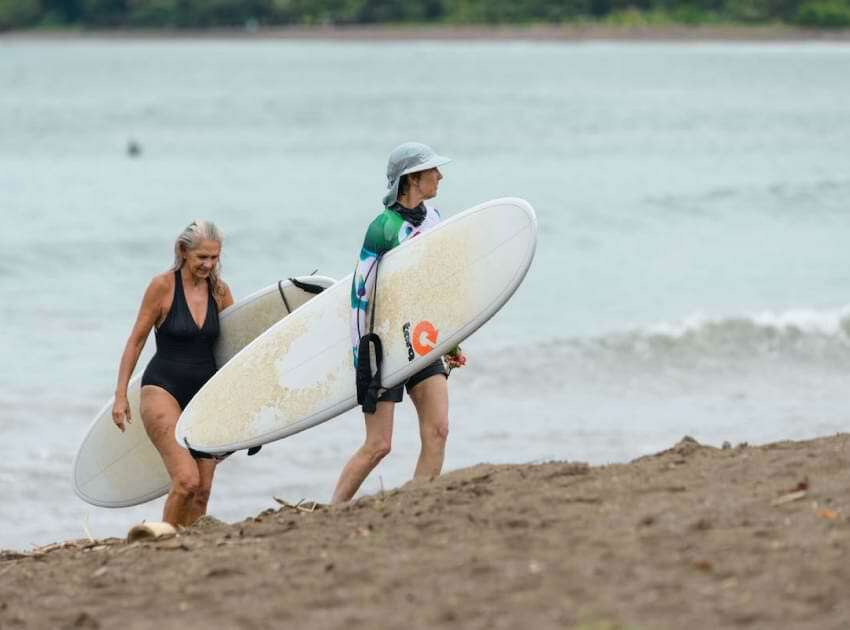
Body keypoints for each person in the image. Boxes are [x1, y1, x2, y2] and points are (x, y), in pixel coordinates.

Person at [332, 142, 467, 504]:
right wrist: (361, 356)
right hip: (384, 346)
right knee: (379, 445)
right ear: (412, 178)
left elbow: (437, 284)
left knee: (438, 430)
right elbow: (360, 294)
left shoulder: (435, 218)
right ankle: (333, 510)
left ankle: (415, 503)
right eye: (432, 170)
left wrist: (451, 339)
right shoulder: (382, 228)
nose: (439, 176)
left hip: (422, 341)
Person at [111, 220, 234, 526]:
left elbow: (237, 347)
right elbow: (136, 340)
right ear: (183, 251)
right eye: (201, 257)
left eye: (214, 257)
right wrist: (120, 395)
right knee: (186, 481)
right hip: (162, 389)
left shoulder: (220, 291)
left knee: (203, 491)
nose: (208, 264)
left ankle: (188, 549)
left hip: (205, 396)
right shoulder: (162, 287)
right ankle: (162, 543)